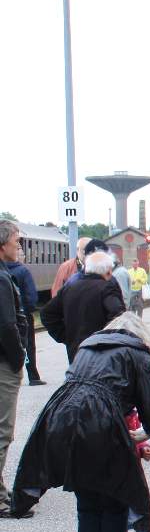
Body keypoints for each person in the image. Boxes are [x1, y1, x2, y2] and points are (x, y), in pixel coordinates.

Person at [11, 312, 150, 532]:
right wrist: (149, 432)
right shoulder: (137, 354)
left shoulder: (87, 348)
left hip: (63, 420)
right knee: (114, 503)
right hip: (104, 424)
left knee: (88, 507)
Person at [41, 249, 127, 363]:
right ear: (108, 271)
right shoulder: (107, 288)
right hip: (102, 355)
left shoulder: (69, 288)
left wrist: (66, 336)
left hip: (76, 354)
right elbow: (119, 317)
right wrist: (109, 340)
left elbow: (46, 314)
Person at [0, 220, 26, 515]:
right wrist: (19, 357)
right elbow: (7, 325)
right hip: (4, 363)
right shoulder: (2, 278)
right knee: (2, 431)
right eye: (16, 241)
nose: (19, 246)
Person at [5, 240, 44, 385]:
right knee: (28, 344)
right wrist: (29, 310)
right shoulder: (23, 271)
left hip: (6, 314)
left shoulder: (3, 270)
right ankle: (33, 376)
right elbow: (31, 296)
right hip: (22, 315)